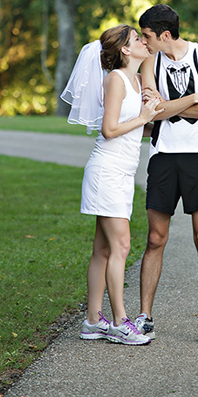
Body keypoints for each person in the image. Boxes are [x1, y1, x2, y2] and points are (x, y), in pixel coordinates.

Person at [60, 24, 164, 345]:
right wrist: (145, 116)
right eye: (137, 40)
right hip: (106, 171)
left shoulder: (134, 81)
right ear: (125, 50)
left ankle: (92, 321)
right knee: (121, 247)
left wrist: (151, 120)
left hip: (120, 173)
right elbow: (108, 129)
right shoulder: (115, 80)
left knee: (103, 249)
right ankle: (120, 322)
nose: (144, 43)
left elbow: (132, 129)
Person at [132, 4, 198, 345]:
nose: (144, 42)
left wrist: (167, 107)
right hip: (163, 157)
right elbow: (151, 114)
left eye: (147, 36)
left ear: (165, 35)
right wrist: (191, 98)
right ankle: (145, 317)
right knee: (155, 239)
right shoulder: (148, 62)